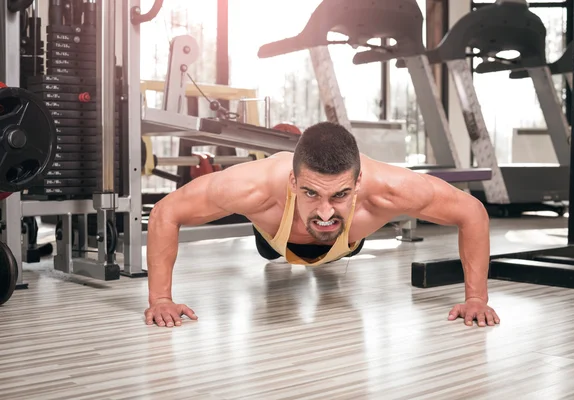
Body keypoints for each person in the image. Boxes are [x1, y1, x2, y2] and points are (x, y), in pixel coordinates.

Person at [144, 122, 500, 328]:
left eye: (341, 194)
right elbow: (165, 212)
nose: (327, 211)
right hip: (276, 238)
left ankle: (333, 219)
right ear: (293, 182)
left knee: (337, 229)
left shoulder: (389, 189)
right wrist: (160, 298)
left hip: (347, 243)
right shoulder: (251, 187)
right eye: (312, 193)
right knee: (271, 248)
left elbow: (472, 213)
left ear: (359, 183)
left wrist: (476, 298)